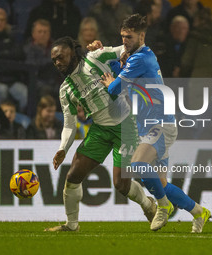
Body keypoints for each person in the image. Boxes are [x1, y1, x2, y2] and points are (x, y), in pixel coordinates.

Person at [95, 13, 211, 233]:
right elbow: (129, 87)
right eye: (122, 37)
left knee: (138, 165)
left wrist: (112, 80)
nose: (124, 41)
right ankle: (198, 212)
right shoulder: (139, 57)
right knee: (162, 184)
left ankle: (163, 206)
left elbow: (115, 90)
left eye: (129, 37)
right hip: (151, 125)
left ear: (142, 36)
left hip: (160, 125)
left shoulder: (140, 58)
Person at [45, 36, 157, 232]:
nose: (57, 63)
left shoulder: (95, 57)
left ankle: (149, 205)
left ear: (72, 52)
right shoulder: (65, 90)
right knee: (72, 176)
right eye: (54, 60)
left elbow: (129, 48)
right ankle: (71, 226)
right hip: (99, 129)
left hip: (125, 126)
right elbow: (70, 125)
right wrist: (63, 148)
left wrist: (121, 53)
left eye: (61, 57)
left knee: (121, 185)